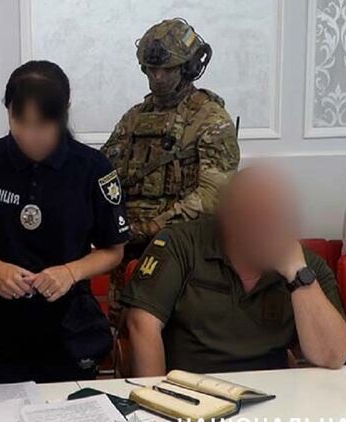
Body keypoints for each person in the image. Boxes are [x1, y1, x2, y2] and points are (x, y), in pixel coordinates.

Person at [0, 61, 129, 384]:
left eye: (43, 124)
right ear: (8, 111)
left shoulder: (93, 168)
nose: (31, 136)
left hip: (69, 325)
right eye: (21, 122)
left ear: (64, 113)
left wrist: (71, 272)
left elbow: (114, 251)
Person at [123, 166, 346, 376]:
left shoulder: (306, 266)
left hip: (275, 394)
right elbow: (142, 324)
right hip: (191, 390)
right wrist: (155, 396)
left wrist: (297, 274)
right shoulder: (181, 244)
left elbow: (333, 356)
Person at [100, 18, 240, 329]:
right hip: (128, 255)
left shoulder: (210, 119)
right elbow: (104, 175)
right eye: (151, 69)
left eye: (167, 69)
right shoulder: (134, 118)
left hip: (184, 256)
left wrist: (151, 227)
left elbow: (212, 197)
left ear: (188, 67)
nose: (158, 77)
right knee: (124, 335)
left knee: (179, 338)